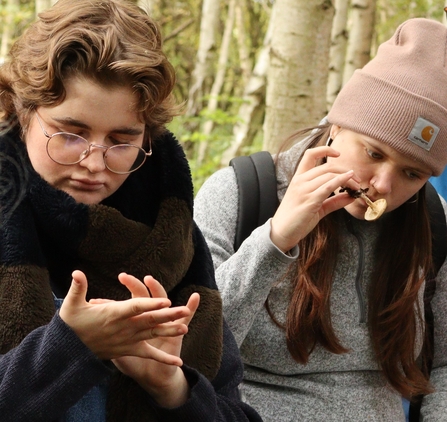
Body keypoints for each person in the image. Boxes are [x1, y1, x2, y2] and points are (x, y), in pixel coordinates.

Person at [0, 1, 263, 421]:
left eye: (121, 141)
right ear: (23, 113)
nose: (94, 162)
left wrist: (173, 389)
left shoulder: (176, 240)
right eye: (70, 133)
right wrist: (67, 348)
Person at [194, 18, 447, 421]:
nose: (383, 184)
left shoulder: (433, 224)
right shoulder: (239, 195)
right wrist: (276, 239)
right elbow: (188, 349)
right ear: (339, 125)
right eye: (374, 153)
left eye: (412, 173)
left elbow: (444, 364)